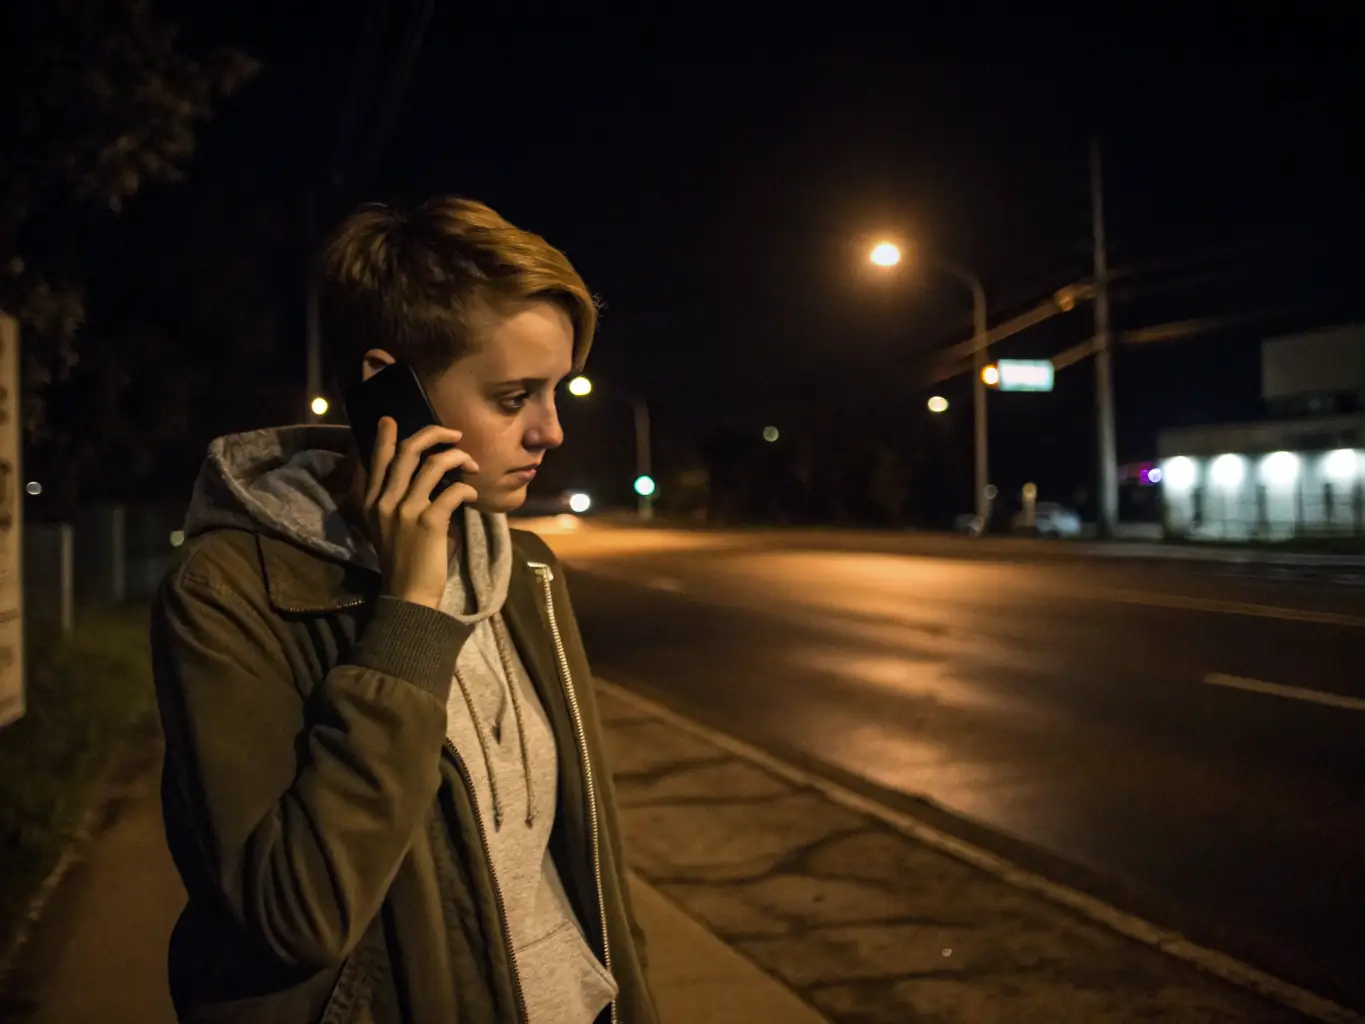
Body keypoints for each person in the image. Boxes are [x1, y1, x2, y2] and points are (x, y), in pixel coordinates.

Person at [150, 197, 657, 1023]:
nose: (551, 431)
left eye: (554, 391)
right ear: (392, 391)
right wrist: (409, 615)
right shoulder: (230, 592)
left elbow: (587, 867)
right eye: (513, 396)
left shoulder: (526, 572)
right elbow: (295, 914)